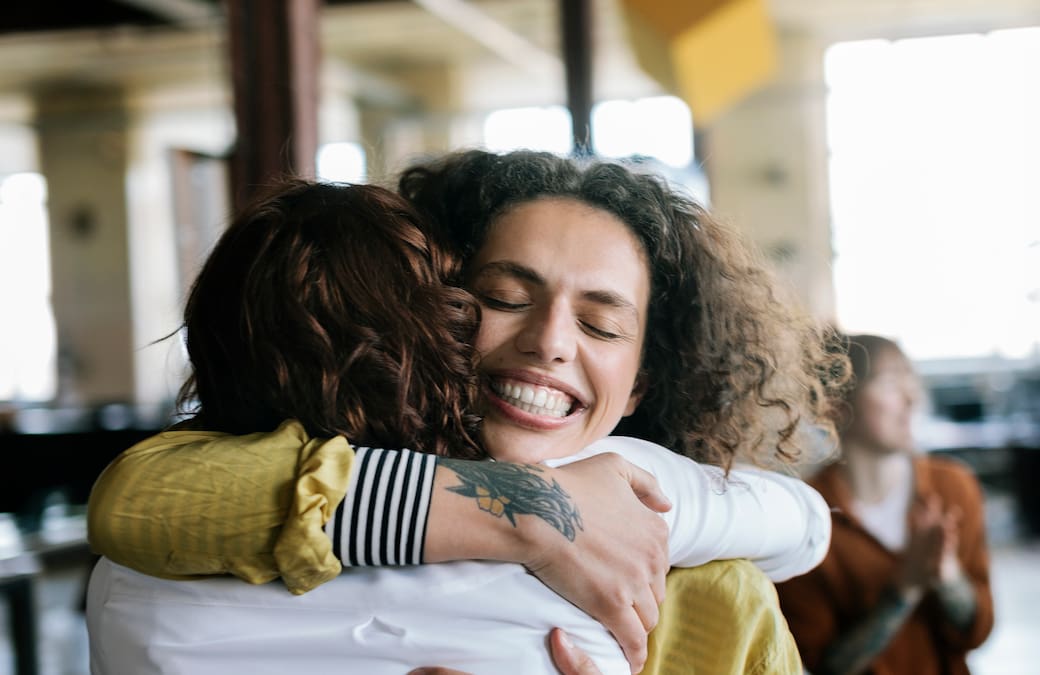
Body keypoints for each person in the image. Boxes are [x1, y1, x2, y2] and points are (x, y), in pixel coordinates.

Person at [87, 153, 841, 673]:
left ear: (644, 383)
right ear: (429, 314)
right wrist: (535, 512)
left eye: (602, 325)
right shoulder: (243, 510)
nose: (549, 341)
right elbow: (135, 498)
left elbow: (803, 522)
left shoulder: (710, 593)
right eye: (505, 298)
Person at [775, 333, 994, 675]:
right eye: (891, 382)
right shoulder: (803, 517)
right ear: (836, 405)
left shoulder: (953, 488)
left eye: (911, 379)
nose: (912, 397)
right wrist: (905, 587)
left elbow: (977, 632)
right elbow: (827, 665)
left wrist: (948, 576)